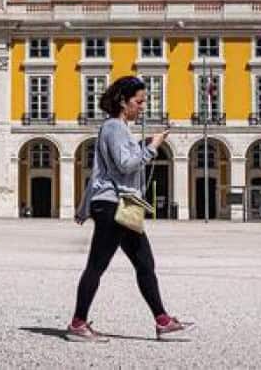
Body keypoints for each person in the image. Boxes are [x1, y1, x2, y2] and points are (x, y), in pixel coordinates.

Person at [68, 76, 193, 342]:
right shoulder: (114, 127)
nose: (143, 106)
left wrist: (142, 144)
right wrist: (152, 148)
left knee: (145, 262)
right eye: (139, 101)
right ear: (123, 102)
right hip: (115, 204)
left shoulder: (120, 129)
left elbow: (103, 168)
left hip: (124, 204)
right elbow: (125, 165)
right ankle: (78, 323)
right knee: (97, 265)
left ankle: (162, 320)